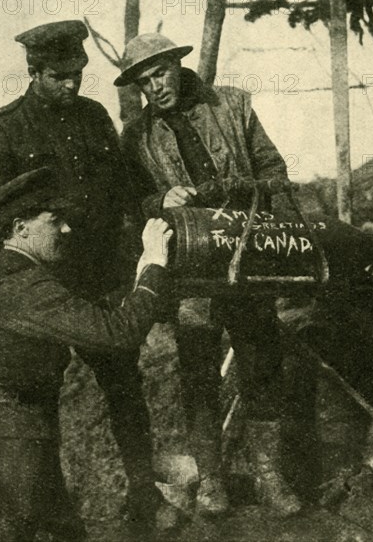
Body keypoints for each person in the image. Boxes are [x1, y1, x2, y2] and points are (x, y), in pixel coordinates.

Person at [0, 20, 160, 530]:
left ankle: (145, 497)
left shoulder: (95, 116)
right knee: (36, 401)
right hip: (41, 292)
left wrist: (126, 262)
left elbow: (125, 194)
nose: (71, 84)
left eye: (77, 73)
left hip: (101, 282)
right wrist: (14, 289)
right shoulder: (4, 127)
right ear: (34, 71)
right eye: (58, 76)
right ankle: (47, 508)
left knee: (124, 388)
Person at [118, 33, 302, 517]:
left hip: (248, 255)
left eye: (159, 73)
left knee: (261, 362)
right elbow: (129, 203)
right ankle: (212, 481)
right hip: (191, 269)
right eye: (143, 82)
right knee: (198, 371)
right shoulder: (137, 136)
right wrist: (159, 200)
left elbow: (275, 170)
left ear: (178, 65)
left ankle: (270, 477)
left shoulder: (233, 106)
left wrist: (239, 188)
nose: (154, 88)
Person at [0, 167, 174, 541]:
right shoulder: (29, 288)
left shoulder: (0, 274)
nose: (67, 230)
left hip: (6, 430)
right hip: (10, 443)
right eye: (54, 221)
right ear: (20, 227)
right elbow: (120, 334)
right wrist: (152, 266)